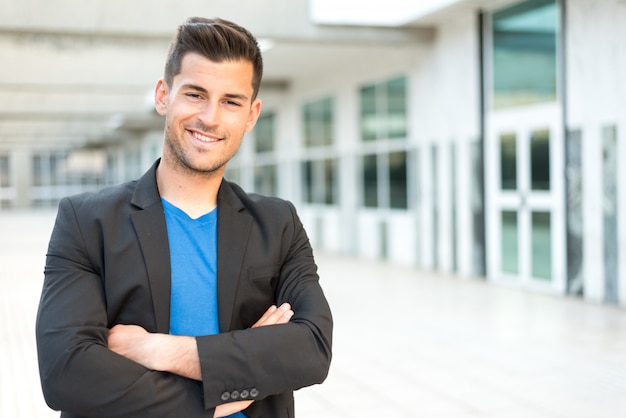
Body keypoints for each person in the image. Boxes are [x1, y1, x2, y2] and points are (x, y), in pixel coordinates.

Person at [35, 17, 333, 418]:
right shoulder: (88, 222)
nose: (210, 117)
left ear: (251, 114)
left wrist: (155, 349)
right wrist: (220, 394)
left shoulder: (278, 224)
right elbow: (65, 372)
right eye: (195, 94)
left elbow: (312, 348)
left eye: (231, 101)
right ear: (163, 96)